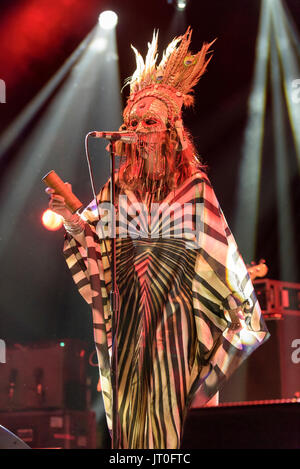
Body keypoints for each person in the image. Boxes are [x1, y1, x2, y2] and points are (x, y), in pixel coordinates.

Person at [47, 28, 269, 449]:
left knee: (174, 438)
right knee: (132, 441)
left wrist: (215, 358)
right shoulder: (116, 189)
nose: (140, 129)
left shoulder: (194, 188)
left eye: (150, 121)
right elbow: (94, 249)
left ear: (172, 128)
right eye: (132, 121)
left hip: (177, 330)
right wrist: (72, 222)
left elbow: (223, 266)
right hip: (129, 329)